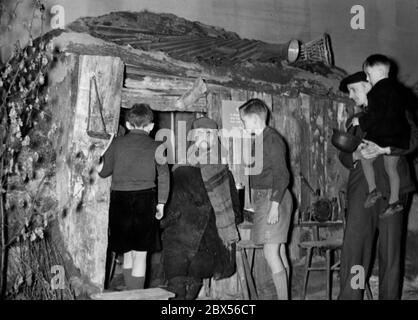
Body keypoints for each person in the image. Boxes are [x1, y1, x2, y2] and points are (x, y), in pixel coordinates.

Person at [338, 71, 417, 300]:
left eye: (354, 90)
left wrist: (385, 150)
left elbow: (414, 140)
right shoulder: (354, 121)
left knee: (390, 253)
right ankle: (352, 295)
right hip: (362, 193)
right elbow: (343, 155)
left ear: (370, 86)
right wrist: (354, 155)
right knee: (355, 249)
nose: (351, 96)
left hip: (393, 193)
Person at [161, 117, 241, 300]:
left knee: (181, 287)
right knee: (185, 285)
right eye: (201, 133)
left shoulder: (185, 171)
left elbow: (169, 212)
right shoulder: (219, 173)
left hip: (192, 243)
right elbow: (236, 213)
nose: (204, 137)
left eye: (208, 133)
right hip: (195, 244)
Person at [99, 103, 169, 290]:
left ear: (128, 125)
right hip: (145, 201)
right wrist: (161, 203)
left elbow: (103, 172)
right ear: (151, 126)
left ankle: (131, 291)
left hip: (119, 200)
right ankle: (136, 294)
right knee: (141, 254)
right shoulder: (158, 146)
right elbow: (164, 177)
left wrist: (105, 149)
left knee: (128, 252)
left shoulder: (117, 143)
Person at [238, 98, 293, 300]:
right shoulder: (260, 139)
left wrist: (274, 206)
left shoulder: (272, 139)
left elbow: (283, 175)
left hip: (274, 197)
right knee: (278, 251)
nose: (243, 126)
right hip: (267, 197)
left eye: (244, 121)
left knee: (271, 253)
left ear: (253, 119)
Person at [350, 55, 410, 217]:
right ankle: (394, 201)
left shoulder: (376, 91)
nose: (368, 79)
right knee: (391, 169)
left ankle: (372, 190)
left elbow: (375, 115)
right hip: (399, 137)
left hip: (383, 136)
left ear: (379, 71)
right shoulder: (400, 90)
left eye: (368, 75)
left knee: (366, 159)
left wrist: (360, 122)